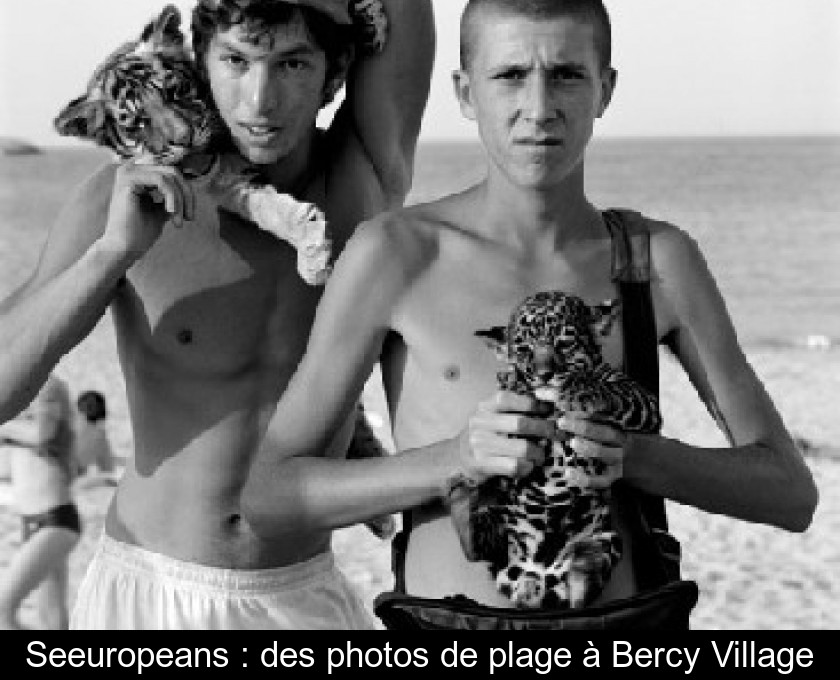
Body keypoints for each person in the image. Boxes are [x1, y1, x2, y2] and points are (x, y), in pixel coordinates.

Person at [243, 0, 819, 629]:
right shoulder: (397, 254)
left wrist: (637, 456)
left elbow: (789, 492)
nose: (539, 108)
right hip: (448, 633)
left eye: (568, 74)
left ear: (606, 90)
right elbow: (270, 496)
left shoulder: (656, 260)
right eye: (511, 75)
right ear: (466, 93)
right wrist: (454, 459)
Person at [0, 0, 434, 630]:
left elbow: (407, 18)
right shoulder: (119, 198)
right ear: (200, 62)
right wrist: (112, 253)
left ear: (333, 70)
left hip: (303, 595)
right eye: (236, 61)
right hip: (151, 593)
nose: (260, 100)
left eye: (291, 64)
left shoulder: (363, 174)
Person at [0, 375, 81, 630]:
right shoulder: (15, 399)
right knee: (52, 619)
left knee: (3, 607)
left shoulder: (48, 385)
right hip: (30, 522)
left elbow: (42, 434)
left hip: (54, 520)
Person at [72, 390, 119, 486]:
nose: (89, 408)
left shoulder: (99, 436)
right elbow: (107, 466)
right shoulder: (100, 436)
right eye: (88, 405)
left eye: (91, 406)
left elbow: (107, 464)